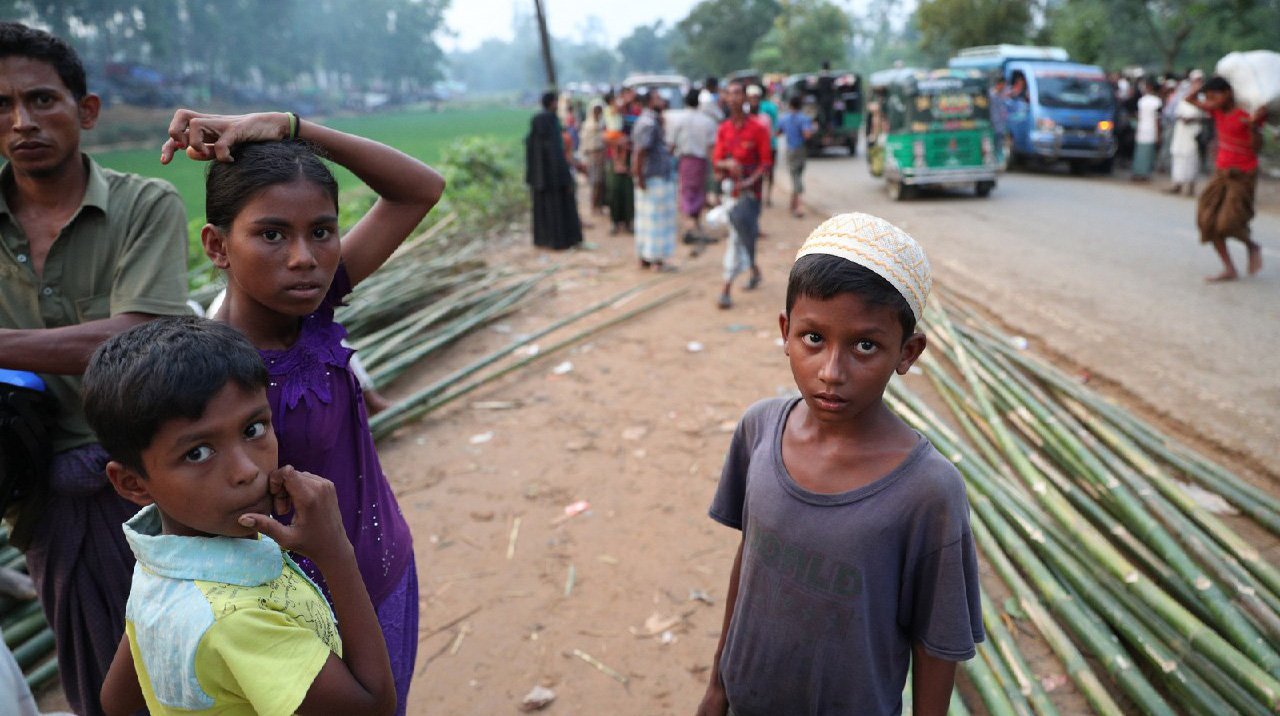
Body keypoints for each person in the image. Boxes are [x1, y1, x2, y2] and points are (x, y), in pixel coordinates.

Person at [162, 108, 445, 711]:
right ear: (216, 245)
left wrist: (292, 126)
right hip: (298, 616)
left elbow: (420, 188)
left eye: (321, 231)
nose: (303, 257)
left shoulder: (311, 308)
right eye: (271, 234)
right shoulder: (215, 372)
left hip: (385, 567)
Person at [696, 213, 984, 716]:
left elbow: (937, 645)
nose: (832, 372)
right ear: (785, 332)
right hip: (748, 700)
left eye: (865, 346)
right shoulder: (760, 429)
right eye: (813, 339)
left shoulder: (928, 491)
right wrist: (718, 685)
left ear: (908, 352)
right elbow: (751, 558)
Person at [0, 22, 191, 715]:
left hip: (154, 487)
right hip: (42, 501)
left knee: (190, 669)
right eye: (1, 106)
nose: (22, 121)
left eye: (42, 100)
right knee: (100, 685)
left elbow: (137, 337)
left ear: (86, 111)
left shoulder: (146, 206)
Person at [85, 317, 396, 716]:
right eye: (197, 452)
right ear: (132, 483)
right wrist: (336, 553)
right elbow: (373, 706)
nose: (246, 470)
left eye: (253, 428)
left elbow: (116, 701)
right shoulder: (234, 621)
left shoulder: (162, 567)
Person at [1184, 75, 1267, 281]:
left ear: (1228, 93)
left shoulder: (1247, 114)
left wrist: (1253, 126)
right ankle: (1229, 268)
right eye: (1208, 97)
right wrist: (1197, 88)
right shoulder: (1216, 110)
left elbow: (1256, 148)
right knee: (1207, 221)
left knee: (1228, 223)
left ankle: (1251, 246)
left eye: (1214, 96)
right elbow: (1190, 100)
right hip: (1221, 173)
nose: (1210, 101)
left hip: (1242, 175)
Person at [713, 83, 773, 309]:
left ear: (746, 98)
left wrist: (748, 181)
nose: (733, 98)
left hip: (750, 195)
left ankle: (725, 288)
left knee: (738, 237)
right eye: (729, 93)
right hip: (731, 193)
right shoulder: (724, 129)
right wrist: (726, 163)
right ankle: (753, 271)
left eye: (737, 93)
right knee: (739, 236)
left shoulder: (758, 128)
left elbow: (766, 163)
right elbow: (716, 160)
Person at [525, 91, 583, 250]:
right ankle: (560, 240)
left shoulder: (536, 122)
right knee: (557, 207)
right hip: (554, 176)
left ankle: (545, 239)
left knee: (544, 208)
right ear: (552, 103)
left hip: (540, 176)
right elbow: (555, 152)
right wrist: (565, 175)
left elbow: (531, 151)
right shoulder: (550, 121)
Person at [631, 89, 678, 271]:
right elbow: (640, 151)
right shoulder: (648, 123)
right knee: (658, 219)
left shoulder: (649, 121)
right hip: (654, 177)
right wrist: (639, 176)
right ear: (650, 101)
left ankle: (645, 256)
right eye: (657, 97)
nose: (661, 100)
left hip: (651, 176)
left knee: (646, 219)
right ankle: (657, 260)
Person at [669, 87, 718, 244]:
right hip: (701, 161)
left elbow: (671, 144)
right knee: (698, 191)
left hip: (685, 160)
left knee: (686, 192)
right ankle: (694, 224)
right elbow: (711, 147)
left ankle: (689, 226)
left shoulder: (678, 120)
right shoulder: (707, 121)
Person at [775, 95, 815, 218]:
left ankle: (793, 204)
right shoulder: (804, 119)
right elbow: (807, 135)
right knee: (797, 177)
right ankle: (798, 206)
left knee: (794, 176)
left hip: (790, 150)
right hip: (800, 149)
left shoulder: (784, 118)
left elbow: (777, 133)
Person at [1167, 70, 1206, 196]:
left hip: (1193, 132)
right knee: (1178, 156)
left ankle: (1190, 187)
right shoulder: (1183, 95)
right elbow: (1174, 112)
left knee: (1192, 158)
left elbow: (1206, 115)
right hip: (1181, 132)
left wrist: (1193, 119)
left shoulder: (1203, 98)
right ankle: (1177, 184)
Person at [605, 91, 635, 235]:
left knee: (628, 193)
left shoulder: (632, 117)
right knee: (614, 191)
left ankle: (629, 222)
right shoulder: (611, 117)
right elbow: (606, 136)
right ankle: (615, 222)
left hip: (629, 159)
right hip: (613, 159)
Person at [746, 85, 777, 207]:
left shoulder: (765, 115)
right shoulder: (747, 115)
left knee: (767, 172)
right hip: (758, 148)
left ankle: (766, 197)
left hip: (768, 146)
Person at [579, 101, 608, 214]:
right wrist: (583, 158)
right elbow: (584, 143)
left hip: (601, 155)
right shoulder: (587, 125)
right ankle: (593, 206)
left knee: (601, 182)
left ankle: (599, 205)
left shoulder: (602, 124)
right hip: (592, 155)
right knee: (594, 182)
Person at [1131, 80, 1161, 180]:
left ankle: (1138, 172)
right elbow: (1157, 119)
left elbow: (1138, 116)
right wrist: (1158, 134)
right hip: (1149, 130)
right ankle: (1144, 173)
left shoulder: (1142, 101)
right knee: (1148, 153)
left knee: (1140, 152)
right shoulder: (1156, 101)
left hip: (1143, 129)